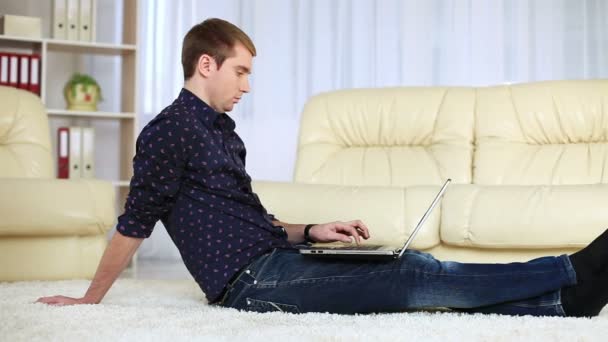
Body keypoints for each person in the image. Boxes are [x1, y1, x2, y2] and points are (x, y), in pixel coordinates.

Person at [37, 18, 608, 318]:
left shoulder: (219, 131)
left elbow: (248, 220)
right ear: (205, 64)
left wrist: (312, 232)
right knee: (412, 278)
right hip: (249, 285)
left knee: (411, 265)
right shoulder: (168, 131)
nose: (247, 86)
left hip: (276, 258)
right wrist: (92, 298)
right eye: (239, 72)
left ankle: (564, 303)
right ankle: (566, 272)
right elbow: (135, 221)